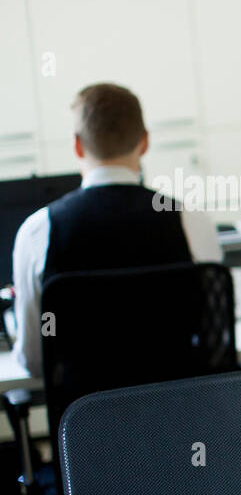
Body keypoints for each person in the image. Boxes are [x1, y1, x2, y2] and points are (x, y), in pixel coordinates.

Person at [11, 82, 221, 376]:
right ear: (145, 142)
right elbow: (215, 341)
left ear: (78, 145)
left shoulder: (38, 231)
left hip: (85, 418)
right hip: (179, 414)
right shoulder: (189, 219)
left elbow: (35, 361)